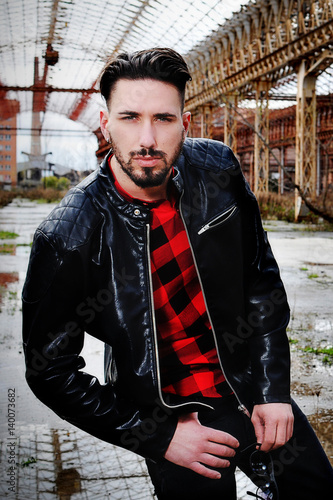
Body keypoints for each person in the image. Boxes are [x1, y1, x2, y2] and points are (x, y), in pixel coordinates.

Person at [22, 48, 333, 500]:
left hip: (244, 382)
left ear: (185, 125)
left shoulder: (217, 170)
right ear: (106, 125)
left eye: (163, 119)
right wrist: (155, 436)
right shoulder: (68, 235)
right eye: (129, 117)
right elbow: (49, 370)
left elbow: (260, 284)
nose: (147, 138)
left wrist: (273, 389)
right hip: (169, 412)